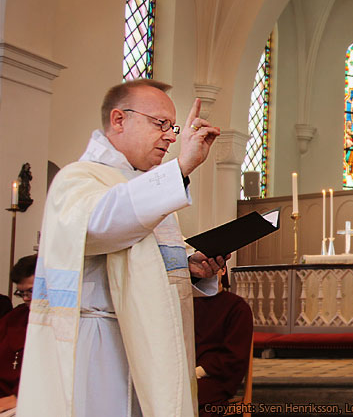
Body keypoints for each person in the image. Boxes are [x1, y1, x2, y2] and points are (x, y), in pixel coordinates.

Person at [18, 79, 227, 417]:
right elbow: (101, 227)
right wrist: (182, 168)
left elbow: (146, 259)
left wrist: (192, 266)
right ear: (119, 120)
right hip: (101, 344)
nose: (171, 137)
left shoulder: (146, 187)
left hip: (152, 342)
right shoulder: (79, 179)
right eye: (161, 124)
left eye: (172, 127)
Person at [193, 270, 252, 417]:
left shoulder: (237, 307)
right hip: (187, 372)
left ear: (223, 270)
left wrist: (198, 372)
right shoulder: (189, 301)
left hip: (216, 377)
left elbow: (234, 356)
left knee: (191, 398)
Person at [0, 255, 37, 415]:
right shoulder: (14, 318)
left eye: (31, 291)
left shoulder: (62, 322)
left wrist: (17, 396)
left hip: (27, 400)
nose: (26, 299)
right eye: (21, 293)